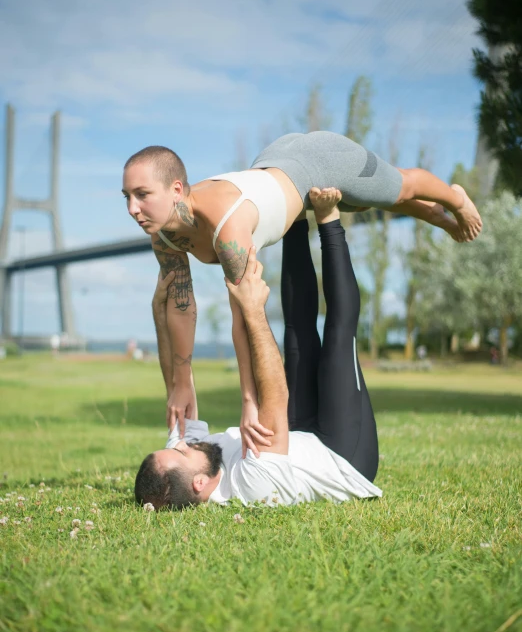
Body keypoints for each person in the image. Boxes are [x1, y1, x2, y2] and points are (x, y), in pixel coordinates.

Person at [122, 130, 483, 444]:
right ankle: (434, 214)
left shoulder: (227, 225)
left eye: (142, 194)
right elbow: (181, 306)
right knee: (359, 202)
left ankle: (454, 199)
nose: (133, 208)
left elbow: (244, 314)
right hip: (274, 161)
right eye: (127, 197)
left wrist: (250, 402)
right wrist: (181, 381)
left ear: (176, 189)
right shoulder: (163, 236)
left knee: (399, 186)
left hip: (317, 160)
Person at [134, 189, 382, 510]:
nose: (183, 442)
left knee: (297, 331)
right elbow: (276, 396)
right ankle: (328, 217)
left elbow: (176, 386)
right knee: (336, 333)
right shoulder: (252, 486)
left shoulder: (189, 456)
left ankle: (294, 217)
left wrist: (158, 310)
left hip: (298, 433)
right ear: (199, 483)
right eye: (181, 451)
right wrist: (252, 310)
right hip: (343, 456)